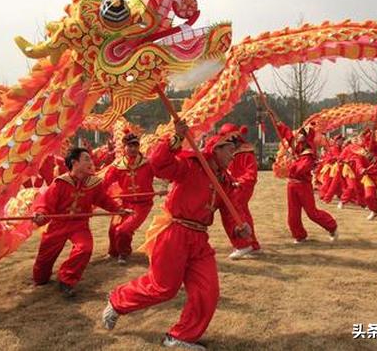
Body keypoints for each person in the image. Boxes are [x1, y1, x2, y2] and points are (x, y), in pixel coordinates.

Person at [101, 120, 251, 350]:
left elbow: (232, 213)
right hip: (175, 233)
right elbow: (160, 165)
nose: (234, 156)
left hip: (200, 239)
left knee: (208, 290)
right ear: (217, 147)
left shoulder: (225, 181)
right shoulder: (192, 165)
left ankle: (180, 337)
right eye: (231, 150)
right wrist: (174, 139)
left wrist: (239, 230)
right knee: (163, 288)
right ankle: (117, 300)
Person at [32, 147, 129, 297]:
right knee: (44, 261)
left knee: (85, 248)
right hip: (59, 224)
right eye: (86, 159)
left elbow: (103, 199)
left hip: (80, 224)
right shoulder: (60, 183)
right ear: (74, 163)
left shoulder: (93, 183)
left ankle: (66, 279)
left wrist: (118, 209)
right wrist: (41, 214)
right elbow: (45, 203)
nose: (91, 162)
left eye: (90, 159)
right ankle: (41, 278)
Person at [278, 122, 338, 244]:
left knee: (312, 213)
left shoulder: (309, 153)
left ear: (307, 137)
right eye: (300, 133)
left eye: (302, 134)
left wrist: (291, 164)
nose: (299, 135)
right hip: (292, 185)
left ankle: (332, 227)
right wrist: (279, 125)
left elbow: (301, 169)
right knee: (293, 214)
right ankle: (299, 235)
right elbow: (288, 135)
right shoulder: (297, 145)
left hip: (303, 186)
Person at [103, 131, 155, 264]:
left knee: (123, 229)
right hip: (124, 203)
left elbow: (165, 172)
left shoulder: (148, 163)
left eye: (135, 146)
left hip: (142, 204)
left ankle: (123, 253)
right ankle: (113, 252)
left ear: (139, 147)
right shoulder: (117, 166)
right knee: (113, 228)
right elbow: (104, 184)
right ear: (124, 147)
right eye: (130, 146)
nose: (133, 149)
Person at [217, 123, 261, 260]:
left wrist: (239, 182)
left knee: (232, 212)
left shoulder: (245, 153)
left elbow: (251, 174)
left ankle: (243, 245)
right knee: (242, 213)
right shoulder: (233, 151)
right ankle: (252, 244)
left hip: (240, 187)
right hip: (235, 185)